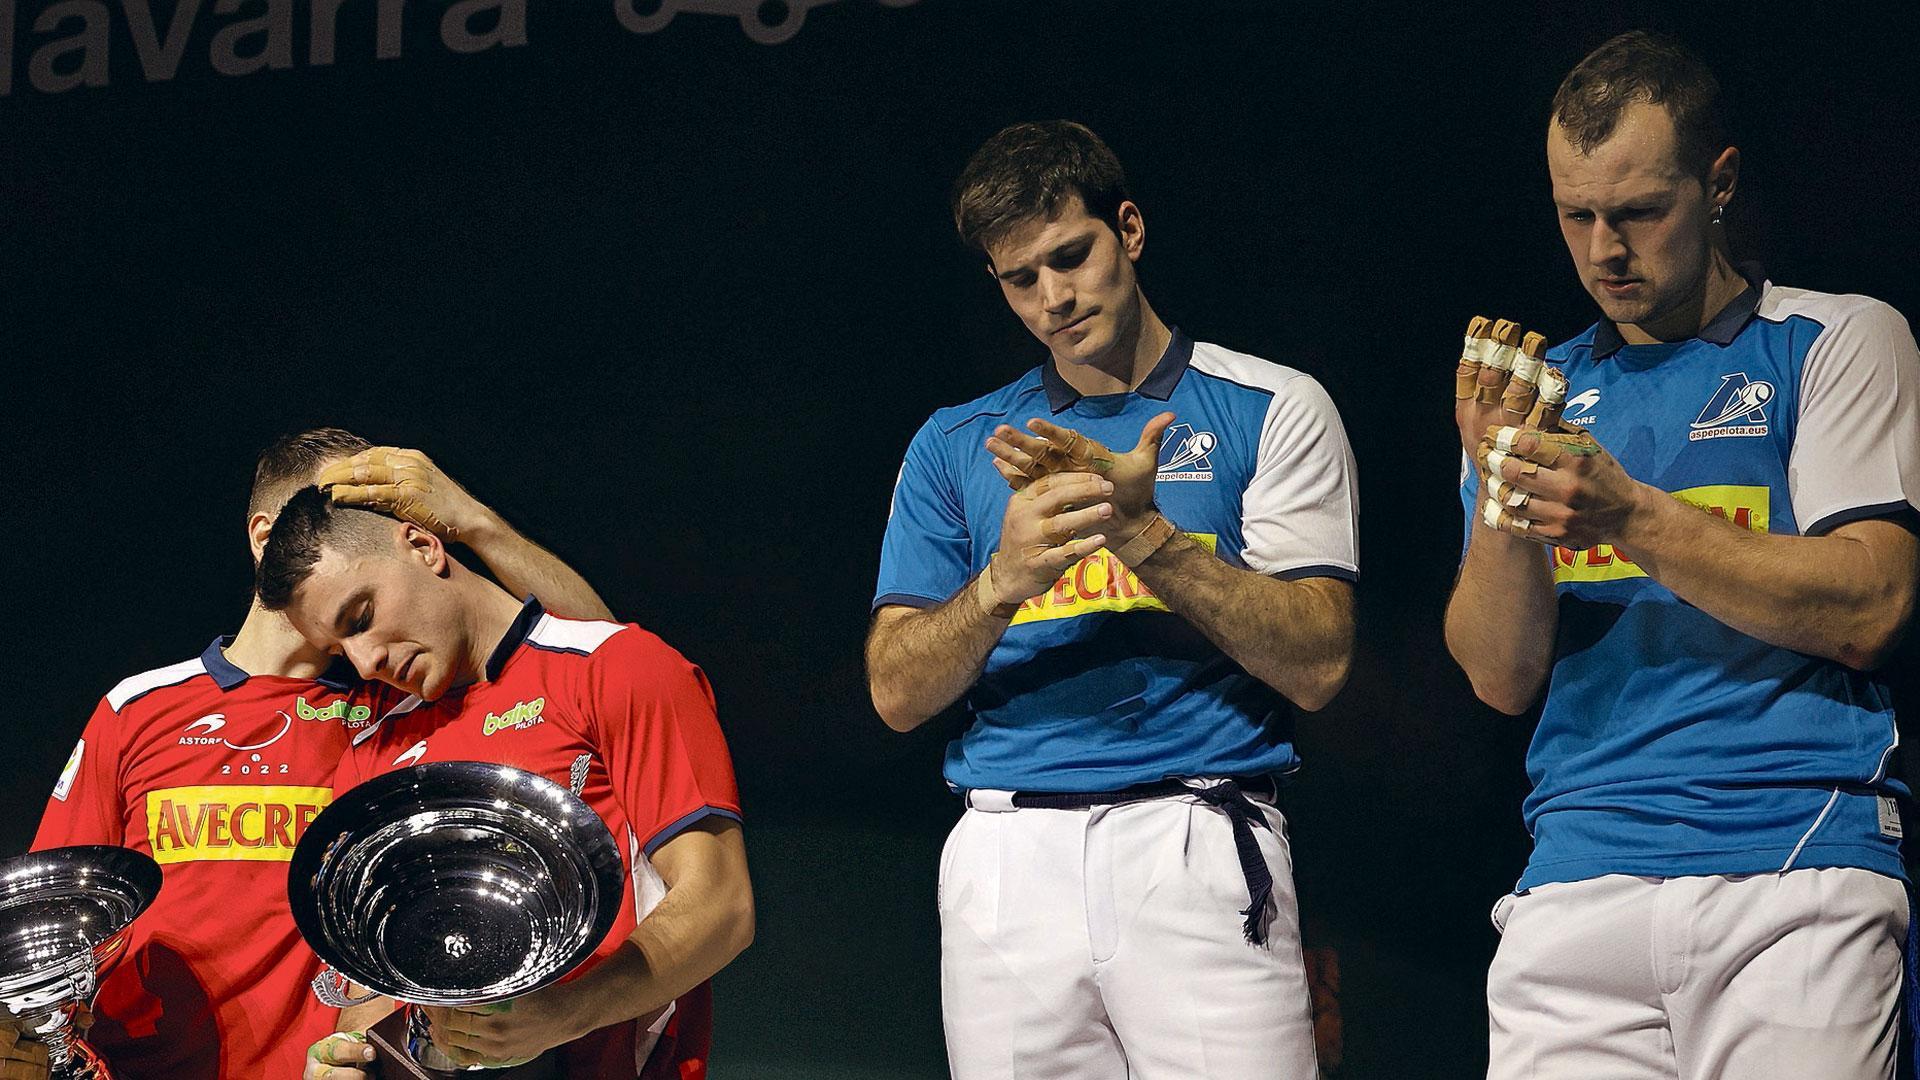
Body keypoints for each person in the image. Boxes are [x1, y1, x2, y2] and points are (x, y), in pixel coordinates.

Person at [1446, 31, 1920, 1080]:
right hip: (1571, 885)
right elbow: (1498, 674)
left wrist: (1627, 515)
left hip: (1791, 869)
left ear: (1718, 186)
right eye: (1577, 216)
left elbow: (1870, 604)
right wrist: (1499, 497)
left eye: (1639, 212)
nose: (1605, 249)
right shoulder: (1543, 392)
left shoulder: (1834, 342)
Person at [865, 120, 1359, 1079]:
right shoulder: (954, 443)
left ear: (1128, 230)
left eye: (1071, 257)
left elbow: (1321, 664)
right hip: (1006, 859)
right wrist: (1004, 579)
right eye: (1020, 279)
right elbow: (893, 691)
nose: (1054, 298)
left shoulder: (1273, 406)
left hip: (1197, 837)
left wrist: (1144, 537)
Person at [29, 429, 611, 1080]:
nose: (367, 532)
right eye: (341, 511)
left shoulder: (404, 710)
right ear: (265, 537)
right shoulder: (137, 710)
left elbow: (598, 661)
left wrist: (474, 523)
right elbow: (50, 932)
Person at [257, 486, 752, 1080]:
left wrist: (563, 1013)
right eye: (340, 648)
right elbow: (375, 990)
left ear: (422, 546)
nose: (364, 662)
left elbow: (721, 906)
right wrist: (348, 1059)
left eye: (361, 617)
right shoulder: (374, 747)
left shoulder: (619, 668)